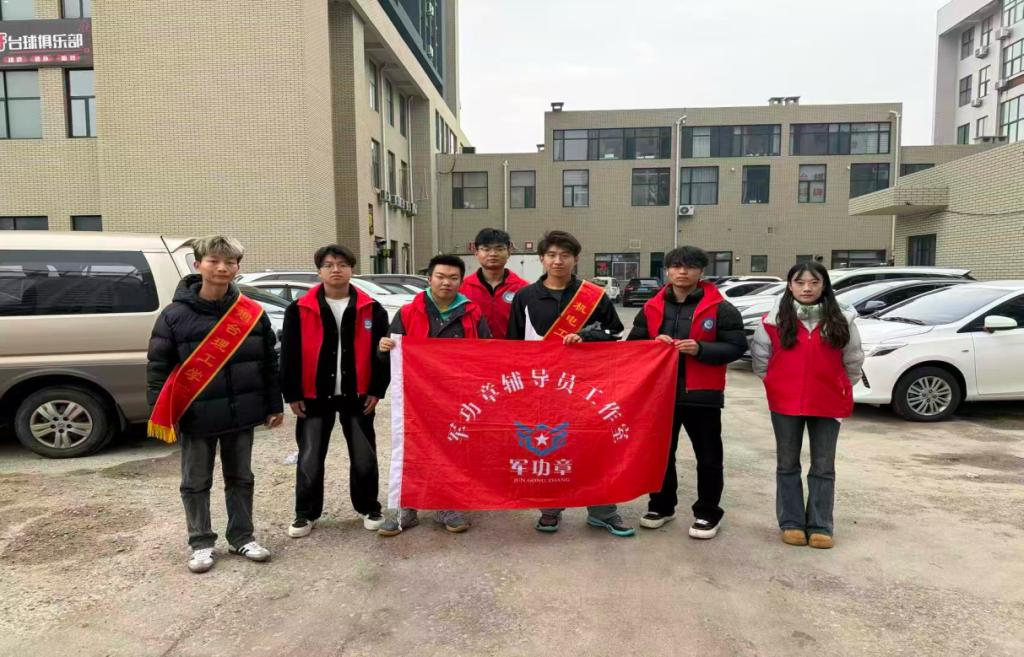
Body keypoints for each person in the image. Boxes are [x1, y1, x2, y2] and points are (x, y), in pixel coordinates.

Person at [147, 236, 283, 574]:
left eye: (230, 262)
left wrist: (273, 404)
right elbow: (158, 368)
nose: (222, 268)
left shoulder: (251, 314)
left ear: (237, 267)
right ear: (198, 265)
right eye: (213, 261)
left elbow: (269, 362)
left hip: (242, 412)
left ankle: (242, 536)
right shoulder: (174, 316)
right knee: (195, 482)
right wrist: (161, 413)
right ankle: (201, 542)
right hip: (197, 414)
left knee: (241, 478)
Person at [506, 230, 632, 537]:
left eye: (565, 255)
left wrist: (586, 337)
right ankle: (551, 509)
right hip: (542, 388)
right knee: (549, 448)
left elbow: (614, 334)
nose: (558, 261)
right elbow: (513, 345)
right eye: (551, 255)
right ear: (541, 259)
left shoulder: (594, 295)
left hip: (587, 387)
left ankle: (603, 511)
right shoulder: (525, 297)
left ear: (575, 259)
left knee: (595, 446)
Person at [627, 246, 746, 539]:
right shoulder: (651, 307)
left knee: (708, 458)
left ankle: (708, 513)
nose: (683, 272)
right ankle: (661, 506)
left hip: (702, 395)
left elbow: (736, 347)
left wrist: (700, 348)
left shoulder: (720, 308)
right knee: (661, 455)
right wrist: (653, 344)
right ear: (667, 271)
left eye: (690, 267)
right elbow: (632, 346)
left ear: (701, 272)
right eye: (677, 266)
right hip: (660, 395)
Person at [279, 244, 391, 539]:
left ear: (352, 269)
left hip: (358, 394)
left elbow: (383, 354)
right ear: (319, 271)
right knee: (310, 456)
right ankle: (305, 513)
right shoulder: (299, 309)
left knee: (364, 455)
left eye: (342, 264)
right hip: (314, 395)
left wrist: (377, 389)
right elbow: (288, 355)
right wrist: (292, 394)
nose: (336, 270)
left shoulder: (372, 308)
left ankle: (369, 507)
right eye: (328, 265)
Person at [750, 261, 864, 550]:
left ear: (824, 286)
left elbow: (853, 359)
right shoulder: (773, 321)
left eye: (814, 282)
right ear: (790, 286)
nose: (807, 288)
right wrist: (777, 383)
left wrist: (839, 384)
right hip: (785, 403)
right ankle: (791, 522)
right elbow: (761, 360)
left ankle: (820, 525)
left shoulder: (842, 320)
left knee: (823, 466)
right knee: (787, 463)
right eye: (800, 282)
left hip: (827, 402)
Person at [377, 254, 491, 536]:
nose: (446, 282)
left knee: (452, 449)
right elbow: (391, 359)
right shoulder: (408, 312)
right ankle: (407, 507)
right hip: (417, 398)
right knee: (411, 447)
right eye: (440, 276)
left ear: (461, 282)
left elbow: (488, 353)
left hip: (458, 397)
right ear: (429, 278)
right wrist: (383, 349)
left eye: (453, 278)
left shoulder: (472, 313)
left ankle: (446, 504)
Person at [460, 227, 528, 339]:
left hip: (511, 348)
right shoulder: (462, 288)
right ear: (476, 253)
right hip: (474, 348)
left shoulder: (523, 288)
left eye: (499, 249)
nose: (493, 254)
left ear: (509, 252)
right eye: (486, 249)